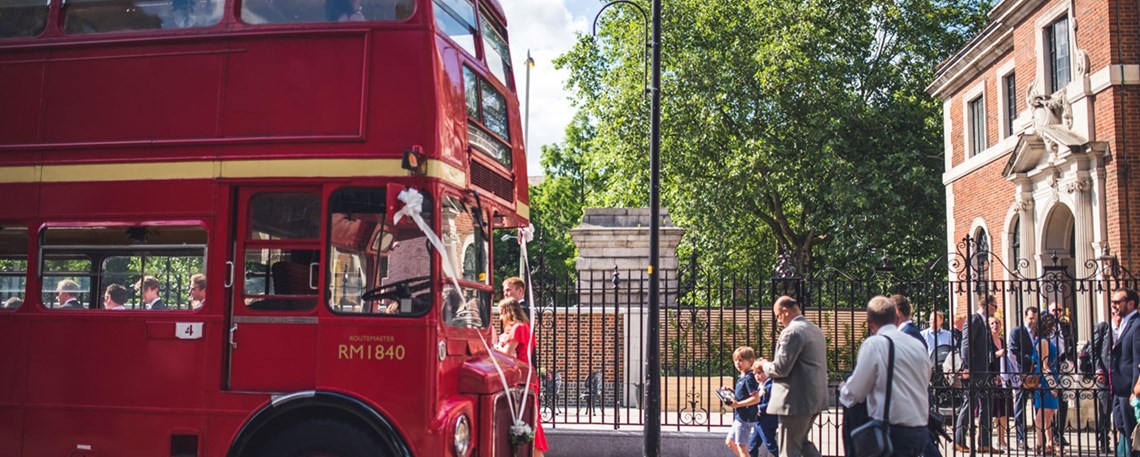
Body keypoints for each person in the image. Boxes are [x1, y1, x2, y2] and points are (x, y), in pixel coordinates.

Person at [839, 296, 932, 457]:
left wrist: (843, 389)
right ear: (896, 318)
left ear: (870, 323)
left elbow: (854, 393)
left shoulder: (875, 344)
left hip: (891, 432)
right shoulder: (917, 345)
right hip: (920, 429)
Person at [757, 296, 827, 457]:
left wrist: (763, 365)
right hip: (814, 399)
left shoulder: (792, 332)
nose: (778, 321)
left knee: (788, 449)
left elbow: (781, 368)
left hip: (795, 402)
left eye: (778, 316)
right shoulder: (814, 329)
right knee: (802, 443)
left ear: (785, 311)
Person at [493, 298, 548, 456]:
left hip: (522, 377)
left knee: (527, 419)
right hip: (525, 375)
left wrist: (492, 349)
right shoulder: (524, 327)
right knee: (530, 419)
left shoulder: (518, 328)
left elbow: (507, 354)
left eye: (501, 313)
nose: (500, 318)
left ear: (508, 312)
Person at [954, 294, 998, 453]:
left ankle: (984, 443)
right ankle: (959, 440)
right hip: (974, 371)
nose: (996, 309)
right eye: (995, 306)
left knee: (986, 406)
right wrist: (967, 367)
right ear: (987, 305)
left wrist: (993, 371)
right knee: (969, 404)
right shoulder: (974, 320)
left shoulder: (984, 322)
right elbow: (965, 345)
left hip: (985, 371)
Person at [1108, 288, 1140, 456]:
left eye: (1117, 302)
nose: (1113, 305)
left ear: (1130, 303)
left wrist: (1135, 391)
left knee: (1132, 433)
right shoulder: (1124, 323)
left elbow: (1137, 360)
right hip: (1118, 390)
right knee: (1122, 429)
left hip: (1129, 390)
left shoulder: (1137, 324)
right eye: (1112, 302)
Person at [1008, 306, 1038, 450]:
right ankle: (1021, 439)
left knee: (1039, 406)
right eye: (1031, 318)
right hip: (1022, 374)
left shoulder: (1039, 332)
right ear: (1025, 317)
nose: (1033, 321)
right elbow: (1013, 351)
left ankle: (1042, 440)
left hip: (1037, 374)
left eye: (1035, 319)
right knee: (1020, 406)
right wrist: (1029, 359)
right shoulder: (1017, 331)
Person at [1032, 312, 1062, 455]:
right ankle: (1040, 443)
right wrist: (1052, 385)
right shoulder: (1042, 341)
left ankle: (1049, 442)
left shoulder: (1045, 340)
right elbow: (1044, 366)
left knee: (1050, 412)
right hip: (1045, 381)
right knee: (1043, 412)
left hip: (1051, 377)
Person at [724, 347, 760, 457]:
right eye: (735, 360)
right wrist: (731, 391)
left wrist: (737, 404)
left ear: (750, 361)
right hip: (740, 416)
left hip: (745, 417)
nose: (737, 363)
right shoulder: (742, 377)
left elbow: (756, 398)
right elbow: (743, 395)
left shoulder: (749, 378)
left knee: (741, 446)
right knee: (730, 442)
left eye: (741, 360)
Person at [1048, 302, 1073, 445]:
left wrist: (1071, 359)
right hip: (1049, 364)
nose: (1056, 312)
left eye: (1059, 310)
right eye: (1054, 310)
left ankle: (1060, 433)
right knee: (1050, 400)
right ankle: (1050, 434)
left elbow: (1070, 342)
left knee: (1063, 400)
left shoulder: (1065, 325)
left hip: (1063, 363)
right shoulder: (1045, 326)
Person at [989, 316, 1013, 452]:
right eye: (992, 323)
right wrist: (997, 354)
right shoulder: (987, 342)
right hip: (993, 379)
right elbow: (986, 358)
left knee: (1003, 411)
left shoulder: (1003, 341)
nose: (995, 325)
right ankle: (988, 440)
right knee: (995, 412)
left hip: (1005, 379)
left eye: (997, 323)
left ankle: (1002, 439)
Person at [750, 360, 778, 457]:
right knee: (752, 446)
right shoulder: (760, 386)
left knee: (770, 445)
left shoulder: (770, 385)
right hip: (759, 420)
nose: (757, 376)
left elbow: (771, 403)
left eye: (759, 373)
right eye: (755, 374)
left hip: (767, 420)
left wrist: (758, 408)